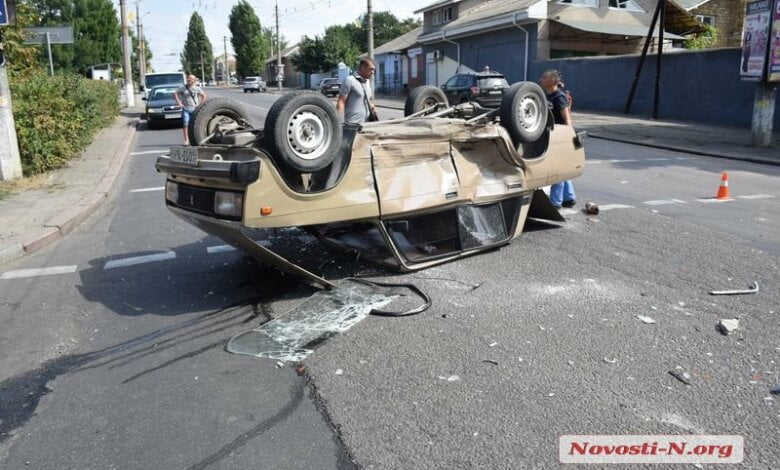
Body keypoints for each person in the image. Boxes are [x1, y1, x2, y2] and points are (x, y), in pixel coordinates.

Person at [539, 69, 576, 209]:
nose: (541, 79)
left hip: (561, 136)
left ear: (552, 81)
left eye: (544, 77)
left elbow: (567, 119)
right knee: (564, 167)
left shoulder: (558, 97)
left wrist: (568, 138)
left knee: (557, 169)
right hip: (553, 135)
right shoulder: (548, 96)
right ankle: (569, 197)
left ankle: (555, 202)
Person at [337, 58, 378, 125]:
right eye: (371, 69)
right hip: (353, 125)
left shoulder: (367, 82)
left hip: (367, 124)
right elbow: (341, 102)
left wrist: (373, 107)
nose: (373, 72)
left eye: (374, 69)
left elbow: (368, 100)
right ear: (363, 68)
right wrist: (337, 123)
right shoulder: (350, 80)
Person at [174, 74, 208, 145]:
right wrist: (179, 103)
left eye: (191, 79)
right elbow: (175, 93)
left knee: (195, 125)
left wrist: (200, 104)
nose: (190, 80)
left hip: (195, 110)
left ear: (194, 80)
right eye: (189, 78)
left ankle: (195, 139)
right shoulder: (183, 88)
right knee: (186, 124)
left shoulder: (197, 88)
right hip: (186, 109)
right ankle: (186, 140)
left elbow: (204, 95)